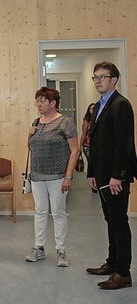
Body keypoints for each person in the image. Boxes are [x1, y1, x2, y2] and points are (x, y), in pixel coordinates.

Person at [85, 61, 136, 290]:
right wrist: (93, 173)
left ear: (114, 80)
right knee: (110, 220)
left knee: (119, 222)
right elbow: (96, 143)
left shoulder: (121, 105)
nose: (98, 81)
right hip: (103, 176)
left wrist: (118, 176)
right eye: (95, 77)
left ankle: (123, 273)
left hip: (116, 177)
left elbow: (124, 143)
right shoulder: (99, 105)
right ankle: (113, 263)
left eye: (102, 77)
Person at [24, 87, 79, 267]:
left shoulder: (65, 122)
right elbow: (31, 147)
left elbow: (75, 150)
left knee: (58, 213)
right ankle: (38, 248)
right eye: (37, 100)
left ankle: (61, 251)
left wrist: (68, 177)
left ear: (53, 103)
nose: (39, 104)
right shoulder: (36, 122)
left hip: (58, 176)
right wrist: (29, 134)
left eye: (42, 101)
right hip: (37, 176)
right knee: (40, 212)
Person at [79, 102, 96, 192]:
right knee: (92, 164)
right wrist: (80, 147)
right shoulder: (86, 121)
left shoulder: (99, 118)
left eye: (94, 108)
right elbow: (84, 134)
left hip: (97, 146)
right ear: (89, 110)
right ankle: (93, 184)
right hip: (87, 146)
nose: (93, 110)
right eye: (91, 108)